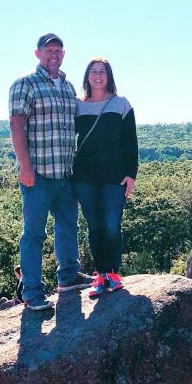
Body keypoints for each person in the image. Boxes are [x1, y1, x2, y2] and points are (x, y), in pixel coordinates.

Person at [8, 33, 93, 310]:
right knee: (34, 234)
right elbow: (16, 125)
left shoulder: (68, 87)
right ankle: (32, 292)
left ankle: (68, 276)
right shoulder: (25, 84)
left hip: (65, 174)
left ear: (63, 54)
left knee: (68, 226)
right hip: (38, 175)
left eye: (58, 51)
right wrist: (25, 166)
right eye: (48, 51)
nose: (53, 55)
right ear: (38, 54)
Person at [72, 57, 138, 297]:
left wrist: (131, 174)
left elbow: (131, 141)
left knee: (111, 225)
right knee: (95, 226)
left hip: (115, 177)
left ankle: (113, 273)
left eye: (102, 71)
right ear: (87, 76)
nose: (98, 76)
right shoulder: (78, 106)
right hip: (84, 177)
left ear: (109, 76)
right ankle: (100, 275)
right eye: (94, 71)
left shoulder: (121, 104)